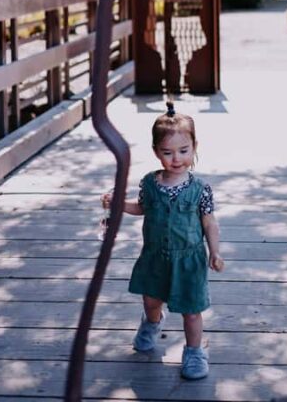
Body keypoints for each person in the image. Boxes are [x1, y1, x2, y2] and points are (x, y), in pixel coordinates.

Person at [100, 101, 224, 380]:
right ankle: (152, 323)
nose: (176, 159)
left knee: (192, 311)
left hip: (189, 259)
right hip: (155, 257)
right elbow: (142, 207)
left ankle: (194, 352)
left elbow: (209, 221)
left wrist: (215, 252)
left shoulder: (200, 189)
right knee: (151, 300)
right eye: (167, 152)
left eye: (183, 151)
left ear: (194, 147)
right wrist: (119, 203)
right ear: (156, 151)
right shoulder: (149, 183)